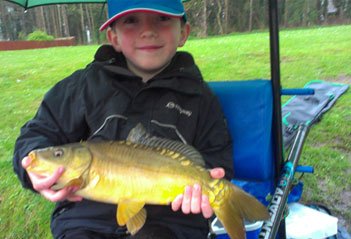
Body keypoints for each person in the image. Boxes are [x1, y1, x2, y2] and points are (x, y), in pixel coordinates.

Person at [13, 0, 233, 238]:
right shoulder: (83, 86)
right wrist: (32, 166)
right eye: (131, 20)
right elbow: (39, 132)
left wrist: (206, 187)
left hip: (172, 220)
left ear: (184, 33)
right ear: (113, 37)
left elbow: (216, 157)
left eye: (162, 19)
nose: (148, 31)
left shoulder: (199, 97)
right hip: (85, 220)